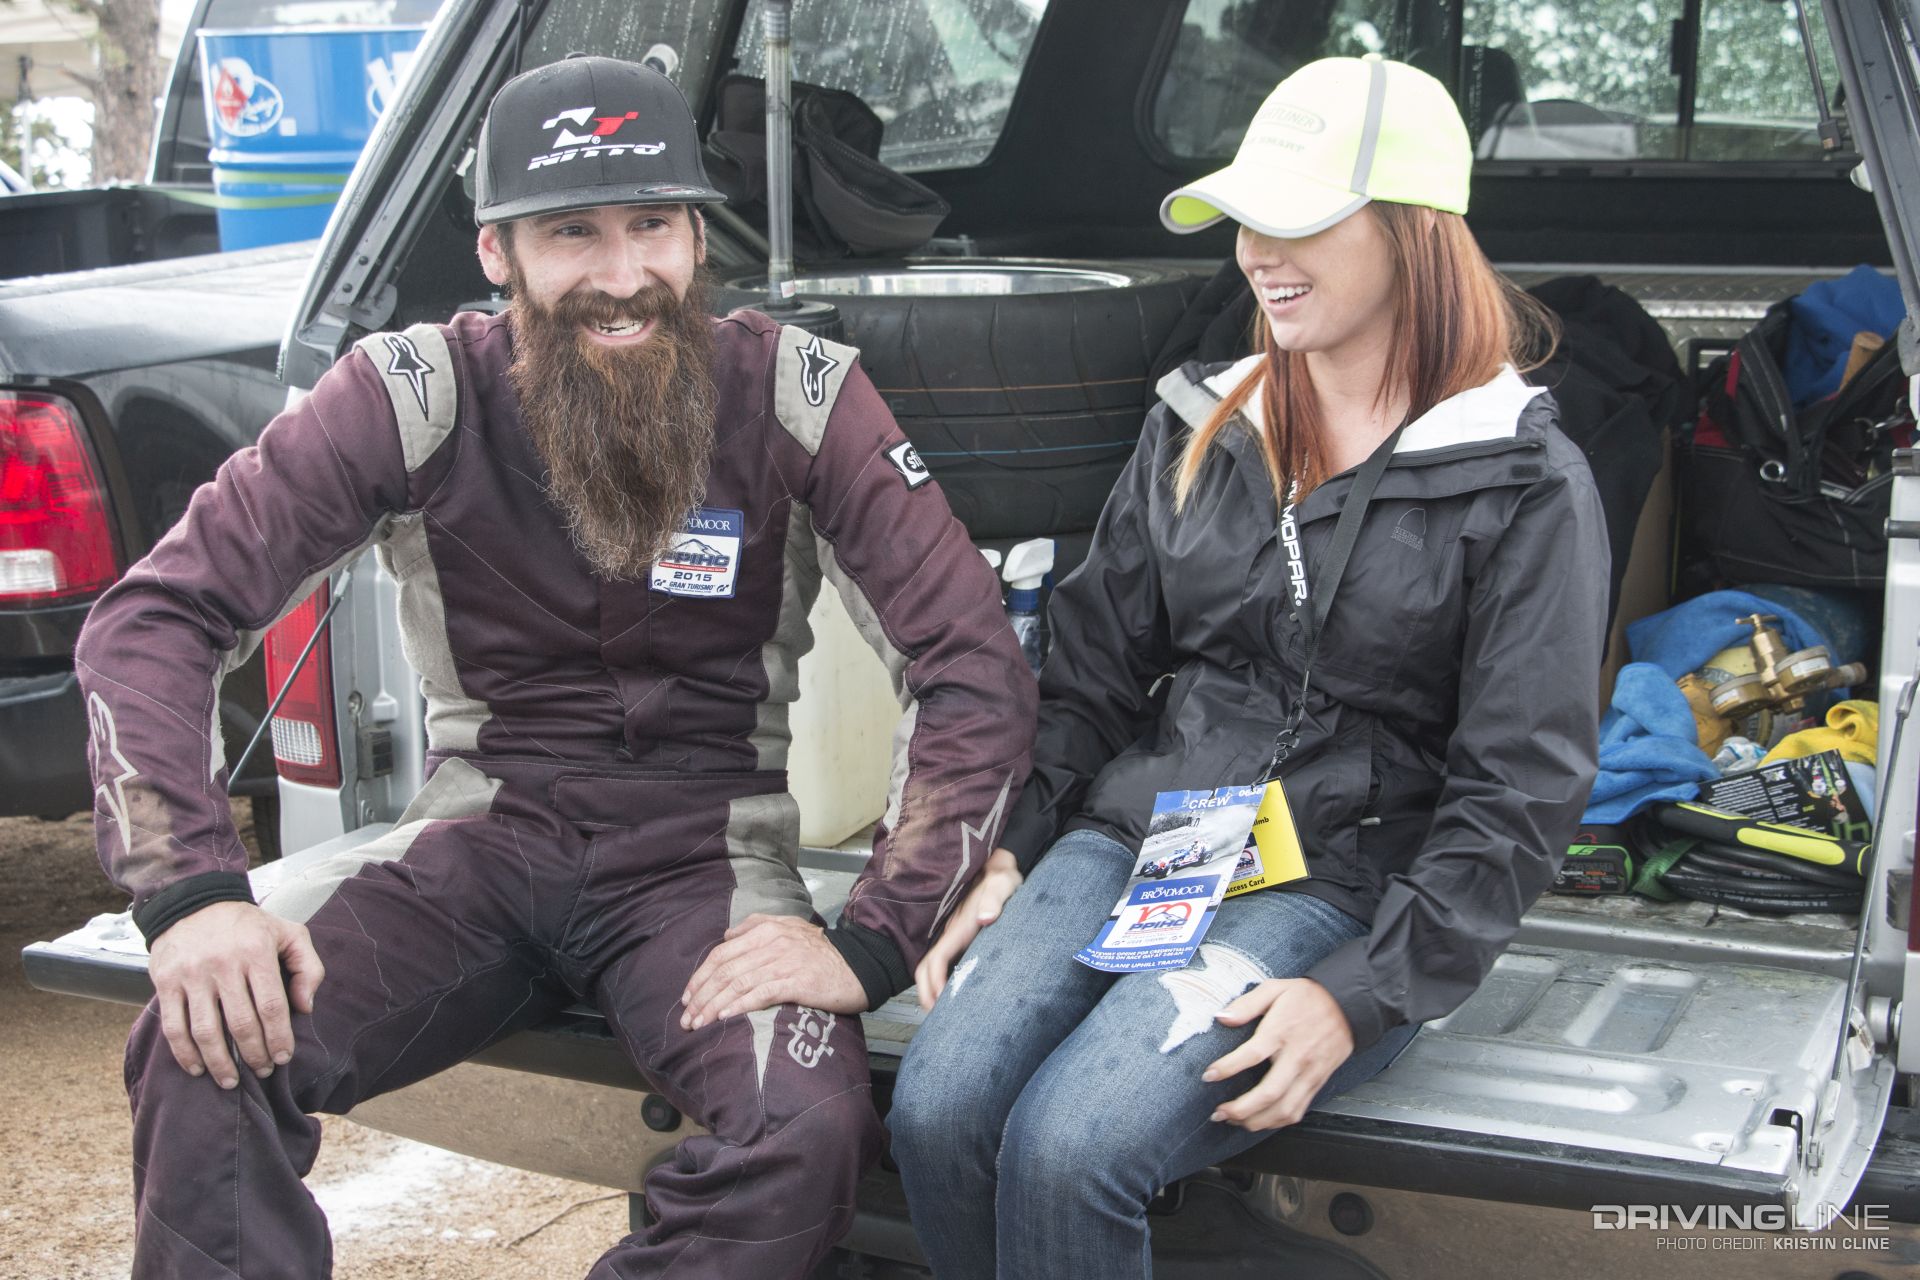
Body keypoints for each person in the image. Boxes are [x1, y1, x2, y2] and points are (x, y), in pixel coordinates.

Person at [75, 55, 1035, 1280]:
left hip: (703, 855)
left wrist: (873, 940)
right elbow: (152, 619)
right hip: (480, 836)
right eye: (573, 232)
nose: (622, 274)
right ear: (497, 253)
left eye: (652, 226)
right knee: (201, 1040)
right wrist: (194, 893)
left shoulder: (796, 388)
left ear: (698, 234)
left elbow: (972, 664)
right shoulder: (411, 390)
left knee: (806, 1128)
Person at [887, 54, 1608, 1279]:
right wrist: (1009, 845)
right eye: (1245, 220)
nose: (1259, 252)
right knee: (937, 1098)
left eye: (1301, 221)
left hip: (1344, 882)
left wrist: (1358, 994)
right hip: (1150, 832)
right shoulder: (1200, 421)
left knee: (1075, 1142)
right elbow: (1093, 675)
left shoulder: (1524, 480)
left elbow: (1518, 794)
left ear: (1414, 232)